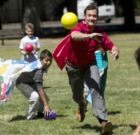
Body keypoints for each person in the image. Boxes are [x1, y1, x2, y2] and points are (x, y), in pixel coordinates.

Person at [65, 3, 119, 135]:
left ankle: (104, 122)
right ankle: (82, 104)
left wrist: (114, 50)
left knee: (96, 88)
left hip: (90, 63)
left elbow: (111, 45)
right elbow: (74, 36)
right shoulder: (78, 27)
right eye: (89, 15)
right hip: (74, 67)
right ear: (84, 16)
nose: (92, 18)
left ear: (97, 17)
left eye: (94, 16)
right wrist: (89, 36)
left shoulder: (99, 32)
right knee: (76, 95)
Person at [15, 49, 52, 120]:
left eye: (50, 60)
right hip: (21, 82)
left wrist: (45, 103)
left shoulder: (40, 64)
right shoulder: (39, 70)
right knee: (34, 97)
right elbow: (39, 87)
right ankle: (29, 117)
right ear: (41, 60)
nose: (48, 63)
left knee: (45, 98)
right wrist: (46, 105)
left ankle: (41, 112)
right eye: (46, 60)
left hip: (30, 82)